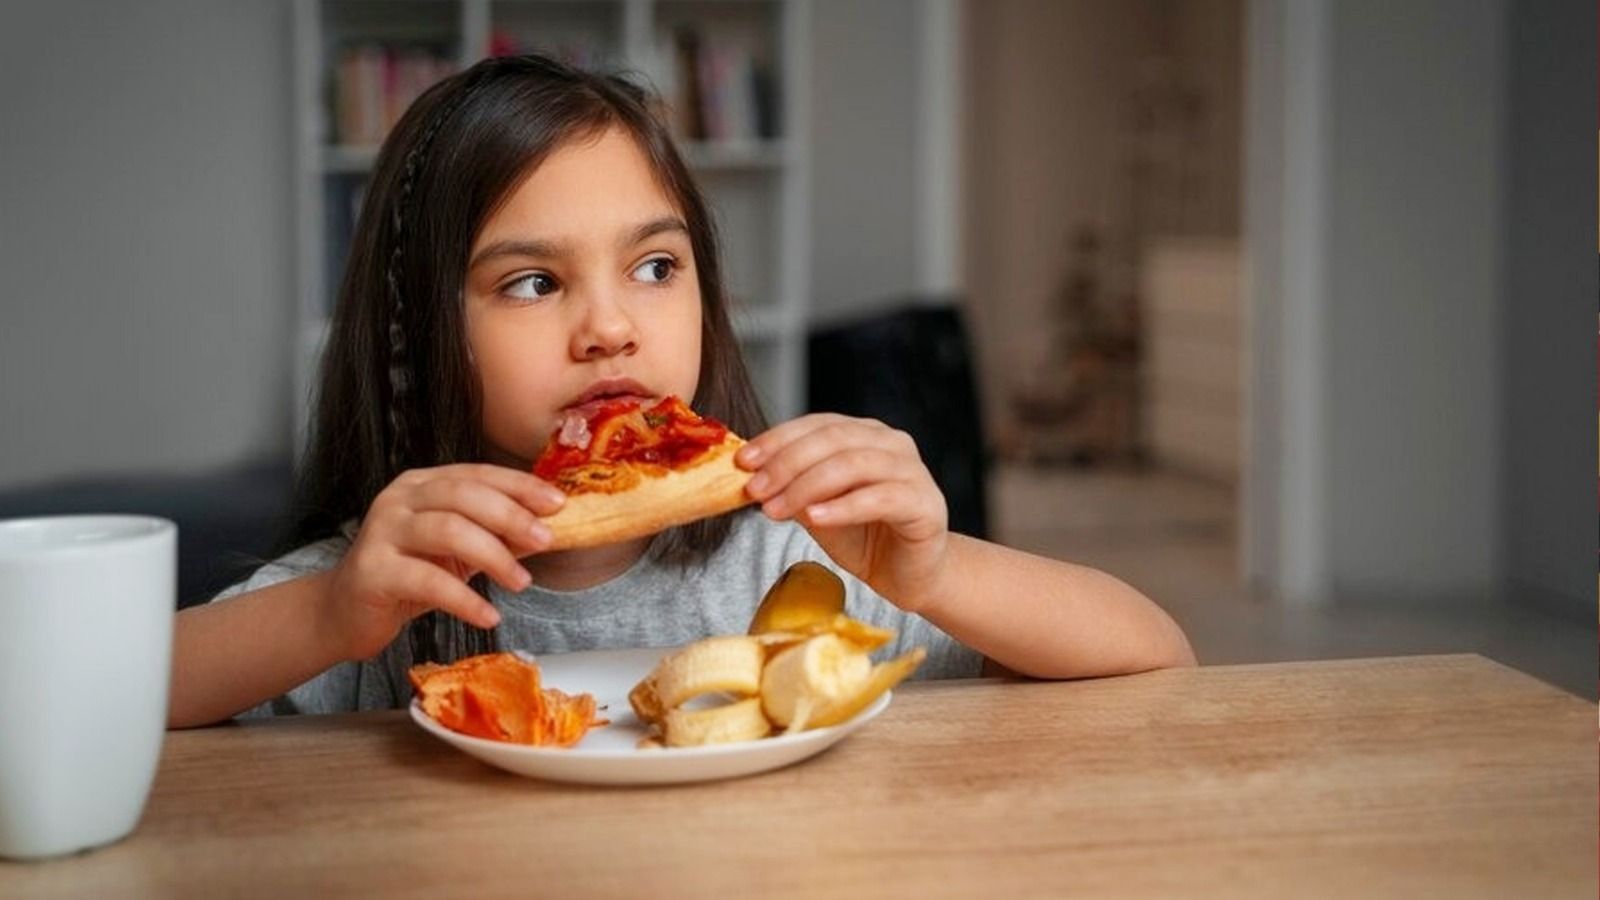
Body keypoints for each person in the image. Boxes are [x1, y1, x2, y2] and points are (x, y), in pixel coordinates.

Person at [169, 55, 1194, 728]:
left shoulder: (799, 559)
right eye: (532, 282)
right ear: (418, 331)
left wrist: (932, 575)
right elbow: (75, 708)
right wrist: (327, 618)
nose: (611, 325)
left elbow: (1156, 658)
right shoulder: (387, 584)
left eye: (655, 267)